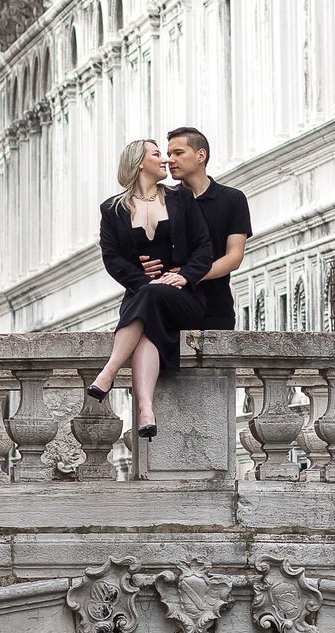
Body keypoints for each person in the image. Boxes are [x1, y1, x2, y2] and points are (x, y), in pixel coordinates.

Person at [86, 137, 213, 438]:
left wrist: (185, 276)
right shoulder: (112, 210)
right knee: (148, 323)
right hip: (143, 296)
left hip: (183, 297)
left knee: (149, 298)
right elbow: (112, 258)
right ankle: (146, 410)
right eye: (158, 155)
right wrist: (143, 279)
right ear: (140, 163)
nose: (166, 160)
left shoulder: (181, 199)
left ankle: (109, 371)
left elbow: (204, 247)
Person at [160, 125, 250, 329]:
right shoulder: (163, 200)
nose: (169, 160)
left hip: (216, 309)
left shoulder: (232, 199)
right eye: (168, 154)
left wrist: (189, 275)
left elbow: (234, 257)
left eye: (178, 153)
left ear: (201, 155)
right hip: (168, 306)